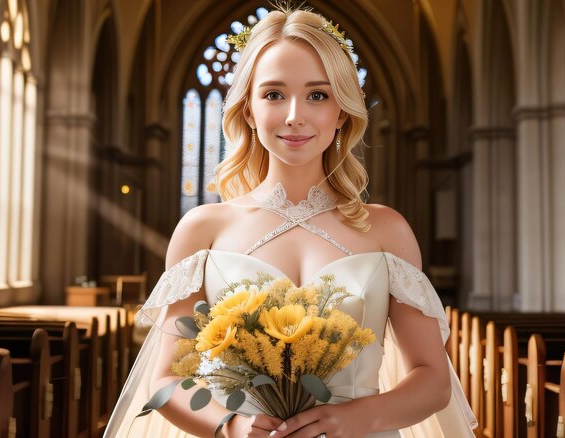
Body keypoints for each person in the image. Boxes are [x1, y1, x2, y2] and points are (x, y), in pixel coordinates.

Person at [104, 4, 477, 437]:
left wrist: (352, 419)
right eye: (274, 94)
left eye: (317, 95)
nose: (294, 114)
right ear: (248, 110)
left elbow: (432, 377)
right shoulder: (203, 229)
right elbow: (165, 378)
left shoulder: (386, 230)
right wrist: (232, 428)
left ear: (341, 113)